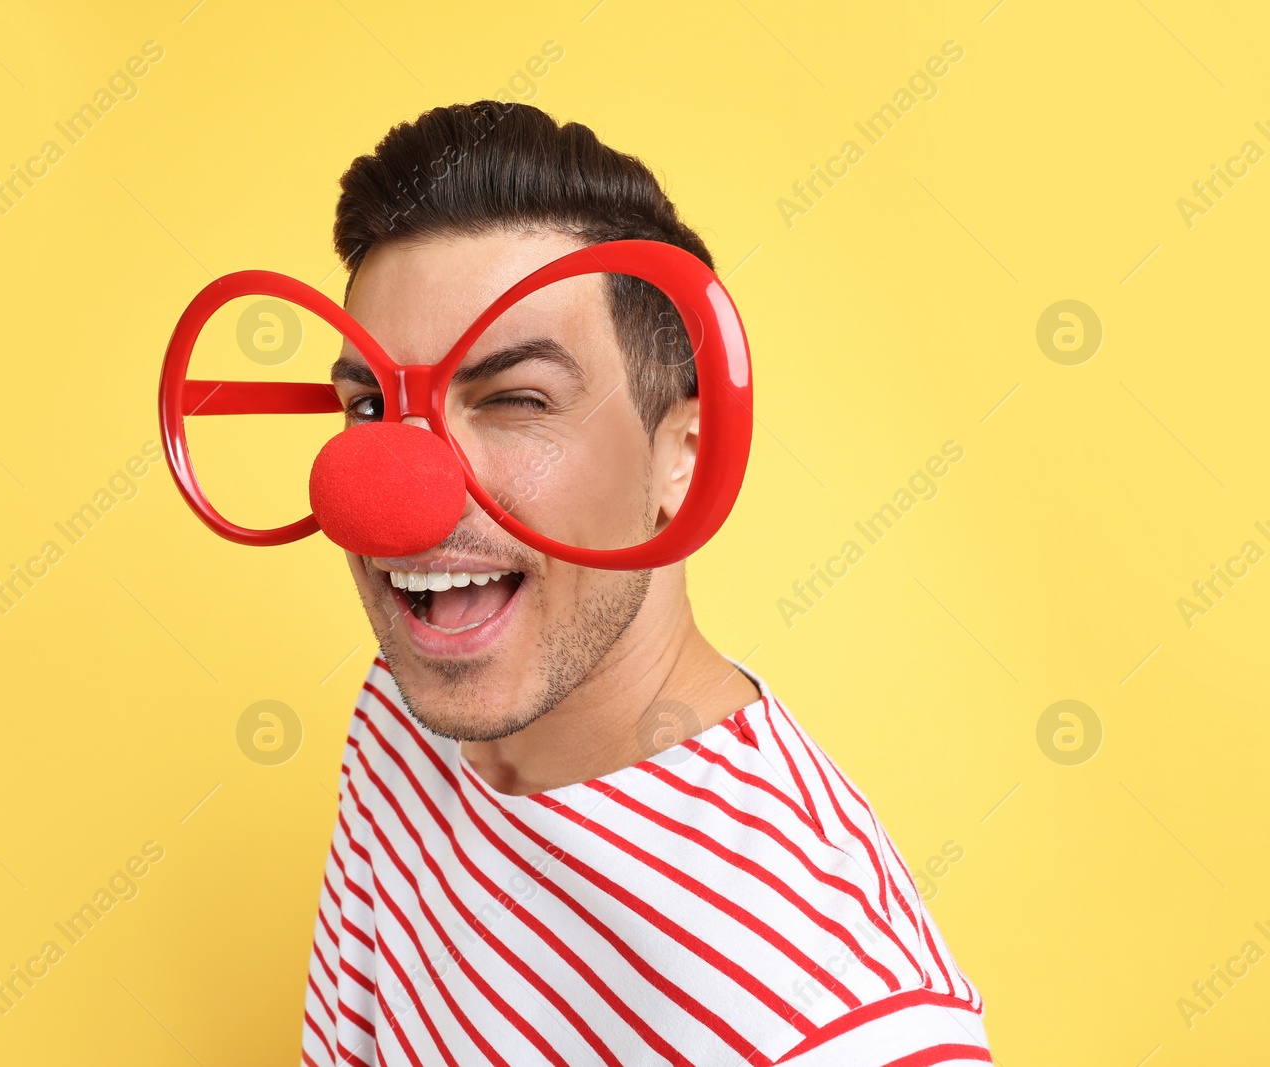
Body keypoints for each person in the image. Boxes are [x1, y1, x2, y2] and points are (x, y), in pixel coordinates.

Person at [302, 100, 990, 1066]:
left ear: (684, 457)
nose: (398, 495)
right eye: (370, 405)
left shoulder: (835, 1014)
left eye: (513, 399)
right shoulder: (408, 715)